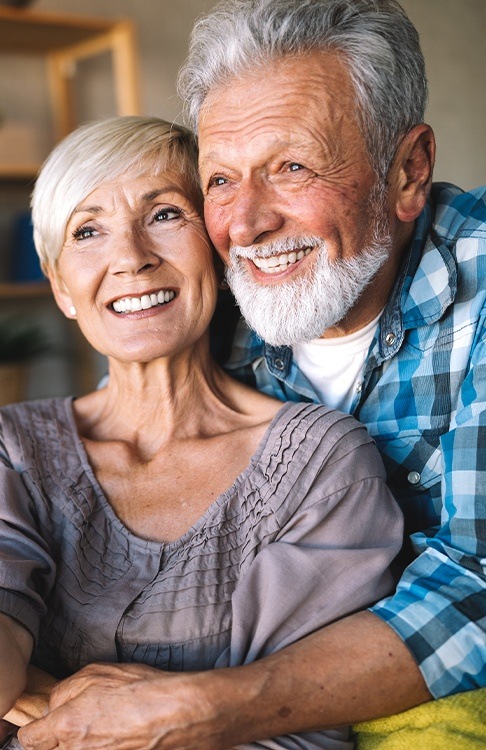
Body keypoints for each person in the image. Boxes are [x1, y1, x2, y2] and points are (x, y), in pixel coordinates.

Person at [0, 115, 404, 750]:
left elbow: (303, 737)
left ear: (219, 252)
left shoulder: (320, 462)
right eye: (88, 231)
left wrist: (65, 703)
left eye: (164, 215)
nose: (130, 257)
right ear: (61, 287)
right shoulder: (13, 448)